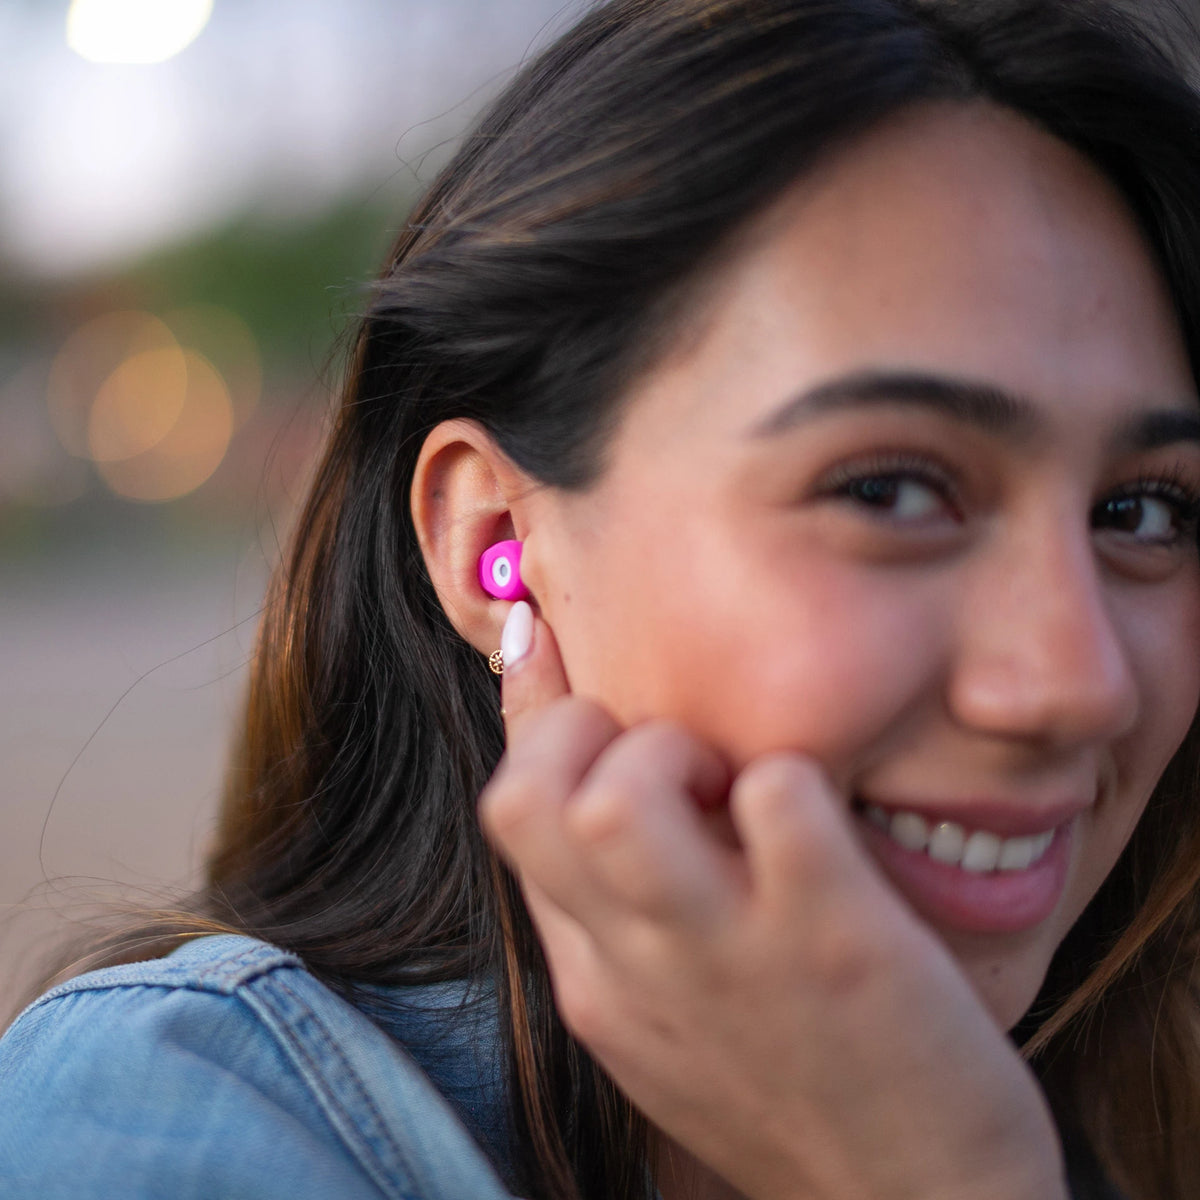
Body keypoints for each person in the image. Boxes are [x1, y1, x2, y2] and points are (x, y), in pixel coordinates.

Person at [4, 0, 1200, 1197]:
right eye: (890, 491)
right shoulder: (179, 1116)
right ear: (495, 545)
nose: (1077, 684)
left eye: (1143, 512)